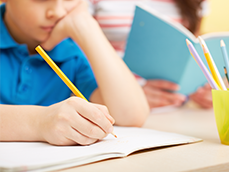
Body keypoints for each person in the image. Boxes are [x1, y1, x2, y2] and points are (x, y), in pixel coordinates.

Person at [0, 0, 149, 146]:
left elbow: (131, 115)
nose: (58, 12)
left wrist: (86, 26)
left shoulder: (71, 51)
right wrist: (39, 122)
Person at [87, 0, 213, 109]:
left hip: (177, 108)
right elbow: (76, 54)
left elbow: (191, 48)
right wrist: (132, 96)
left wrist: (198, 87)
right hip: (111, 104)